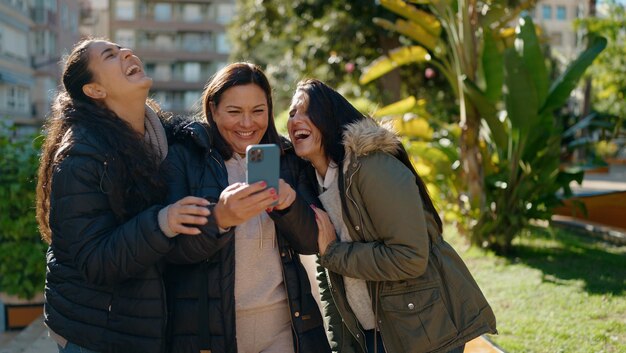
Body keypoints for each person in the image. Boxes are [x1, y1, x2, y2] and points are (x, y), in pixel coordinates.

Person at [287, 79, 497, 353]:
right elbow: (330, 276)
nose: (295, 120)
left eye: (305, 111)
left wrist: (334, 253)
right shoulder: (314, 182)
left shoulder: (372, 168)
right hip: (373, 333)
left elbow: (409, 257)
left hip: (423, 330)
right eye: (292, 113)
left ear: (328, 117)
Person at [36, 39, 212, 353]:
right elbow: (96, 262)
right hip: (93, 335)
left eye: (123, 49)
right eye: (110, 55)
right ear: (95, 90)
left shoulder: (160, 136)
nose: (127, 54)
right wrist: (163, 222)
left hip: (143, 329)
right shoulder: (81, 155)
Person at [163, 63, 330, 353]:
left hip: (284, 326)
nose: (247, 123)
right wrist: (220, 219)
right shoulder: (186, 157)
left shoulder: (287, 157)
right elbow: (172, 250)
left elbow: (311, 242)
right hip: (210, 331)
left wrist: (290, 206)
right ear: (213, 110)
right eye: (233, 112)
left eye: (258, 111)